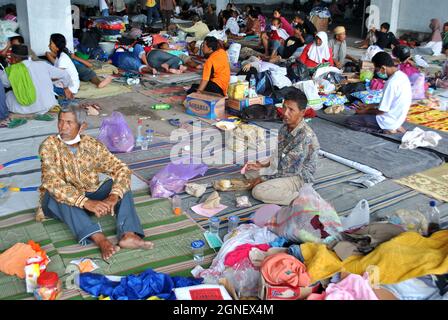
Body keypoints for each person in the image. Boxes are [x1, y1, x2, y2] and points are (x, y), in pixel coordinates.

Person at [38, 105, 154, 261]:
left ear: (82, 126)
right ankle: (100, 239)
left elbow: (122, 169)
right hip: (63, 204)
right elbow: (51, 181)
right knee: (55, 194)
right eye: (60, 121)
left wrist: (113, 196)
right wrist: (86, 202)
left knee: (120, 184)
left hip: (89, 195)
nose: (63, 127)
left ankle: (128, 234)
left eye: (69, 122)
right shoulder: (49, 145)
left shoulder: (92, 145)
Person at [244, 90, 320, 206]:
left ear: (302, 112)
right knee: (249, 172)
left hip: (298, 177)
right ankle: (277, 187)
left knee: (258, 190)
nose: (285, 113)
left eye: (291, 110)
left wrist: (264, 178)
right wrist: (264, 165)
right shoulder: (285, 128)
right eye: (284, 107)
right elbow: (280, 156)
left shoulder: (305, 136)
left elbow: (290, 170)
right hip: (284, 169)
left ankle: (304, 200)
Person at [345, 52, 412, 134]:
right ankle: (395, 126)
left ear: (383, 68)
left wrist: (365, 111)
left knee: (350, 121)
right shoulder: (402, 76)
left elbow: (382, 111)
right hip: (398, 118)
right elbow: (390, 102)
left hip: (387, 121)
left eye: (376, 70)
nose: (376, 72)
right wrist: (369, 106)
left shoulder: (391, 83)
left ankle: (387, 130)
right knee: (361, 114)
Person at [0, 45, 73, 117]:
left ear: (15, 58)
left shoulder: (11, 70)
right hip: (48, 105)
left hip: (26, 110)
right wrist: (66, 88)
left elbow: (3, 84)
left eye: (10, 57)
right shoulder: (42, 64)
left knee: (7, 94)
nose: (9, 59)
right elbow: (65, 74)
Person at [45, 34, 80, 98]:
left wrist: (45, 78)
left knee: (43, 87)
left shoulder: (62, 59)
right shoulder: (59, 56)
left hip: (70, 88)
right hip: (65, 84)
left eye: (50, 43)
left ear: (57, 47)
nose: (48, 45)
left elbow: (59, 76)